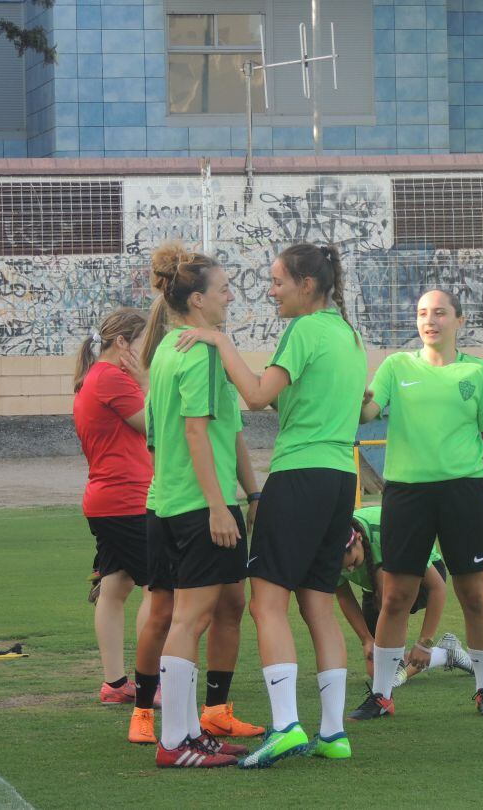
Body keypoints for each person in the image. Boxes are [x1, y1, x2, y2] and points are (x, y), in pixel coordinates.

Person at [175, 243, 366, 767]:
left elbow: (258, 396)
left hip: (299, 476)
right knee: (319, 604)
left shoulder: (303, 331)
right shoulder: (347, 335)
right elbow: (295, 397)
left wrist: (219, 341)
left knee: (266, 603)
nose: (270, 289)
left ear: (307, 285)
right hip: (338, 479)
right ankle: (333, 733)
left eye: (278, 280)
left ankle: (284, 726)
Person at [355, 290, 483, 722]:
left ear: (460, 319)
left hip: (463, 493)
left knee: (473, 595)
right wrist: (357, 394)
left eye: (440, 312)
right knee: (395, 595)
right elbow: (368, 413)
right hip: (406, 494)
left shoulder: (478, 372)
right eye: (422, 313)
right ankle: (381, 694)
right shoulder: (396, 366)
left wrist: (455, 461)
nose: (430, 320)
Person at [127, 297, 263, 747]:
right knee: (181, 618)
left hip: (170, 504)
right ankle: (166, 728)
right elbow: (193, 432)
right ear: (199, 298)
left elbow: (228, 432)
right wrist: (217, 506)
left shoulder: (171, 350)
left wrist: (252, 491)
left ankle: (215, 714)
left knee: (229, 605)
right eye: (225, 287)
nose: (232, 295)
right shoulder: (198, 352)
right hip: (198, 507)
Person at [72, 308, 153, 706]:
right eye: (143, 344)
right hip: (126, 501)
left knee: (115, 586)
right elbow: (158, 426)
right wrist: (148, 382)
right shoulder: (114, 380)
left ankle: (115, 684)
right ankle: (149, 684)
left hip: (110, 499)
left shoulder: (97, 378)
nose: (147, 352)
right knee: (161, 589)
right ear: (122, 343)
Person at [335, 506, 473, 690]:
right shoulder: (329, 550)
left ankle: (436, 653)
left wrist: (425, 643)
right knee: (377, 671)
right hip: (376, 589)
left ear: (359, 539)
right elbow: (344, 597)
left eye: (352, 563)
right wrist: (366, 639)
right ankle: (445, 652)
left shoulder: (390, 533)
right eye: (344, 569)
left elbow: (437, 587)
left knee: (390, 675)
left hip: (423, 575)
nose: (351, 571)